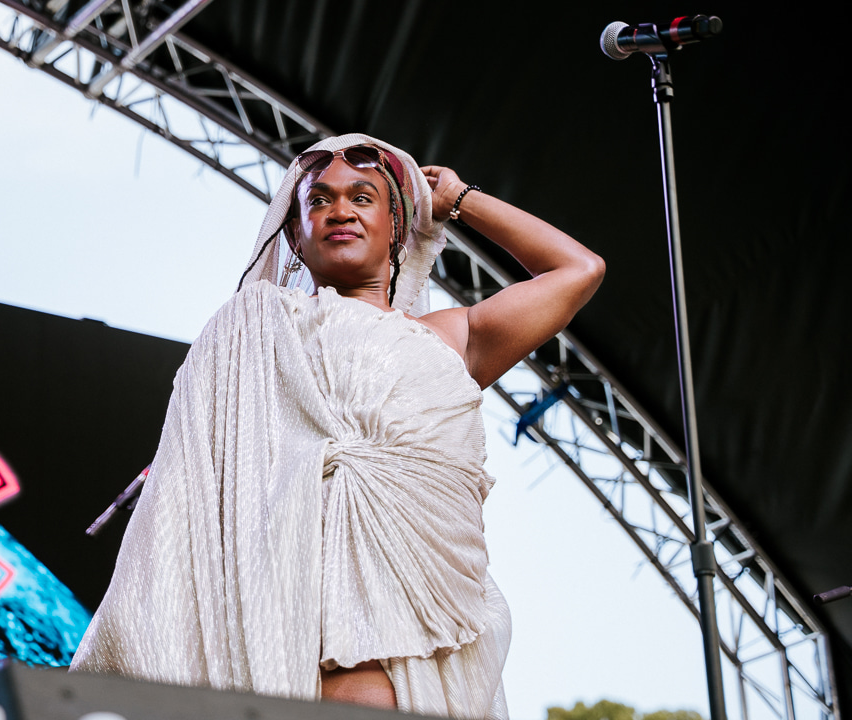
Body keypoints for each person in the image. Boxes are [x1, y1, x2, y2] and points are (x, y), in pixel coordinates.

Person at [70, 134, 604, 720]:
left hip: (433, 670)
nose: (341, 210)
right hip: (277, 659)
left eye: (363, 197)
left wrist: (457, 199)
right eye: (318, 200)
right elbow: (181, 505)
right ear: (294, 234)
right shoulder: (253, 334)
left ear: (398, 227)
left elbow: (578, 270)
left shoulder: (454, 339)